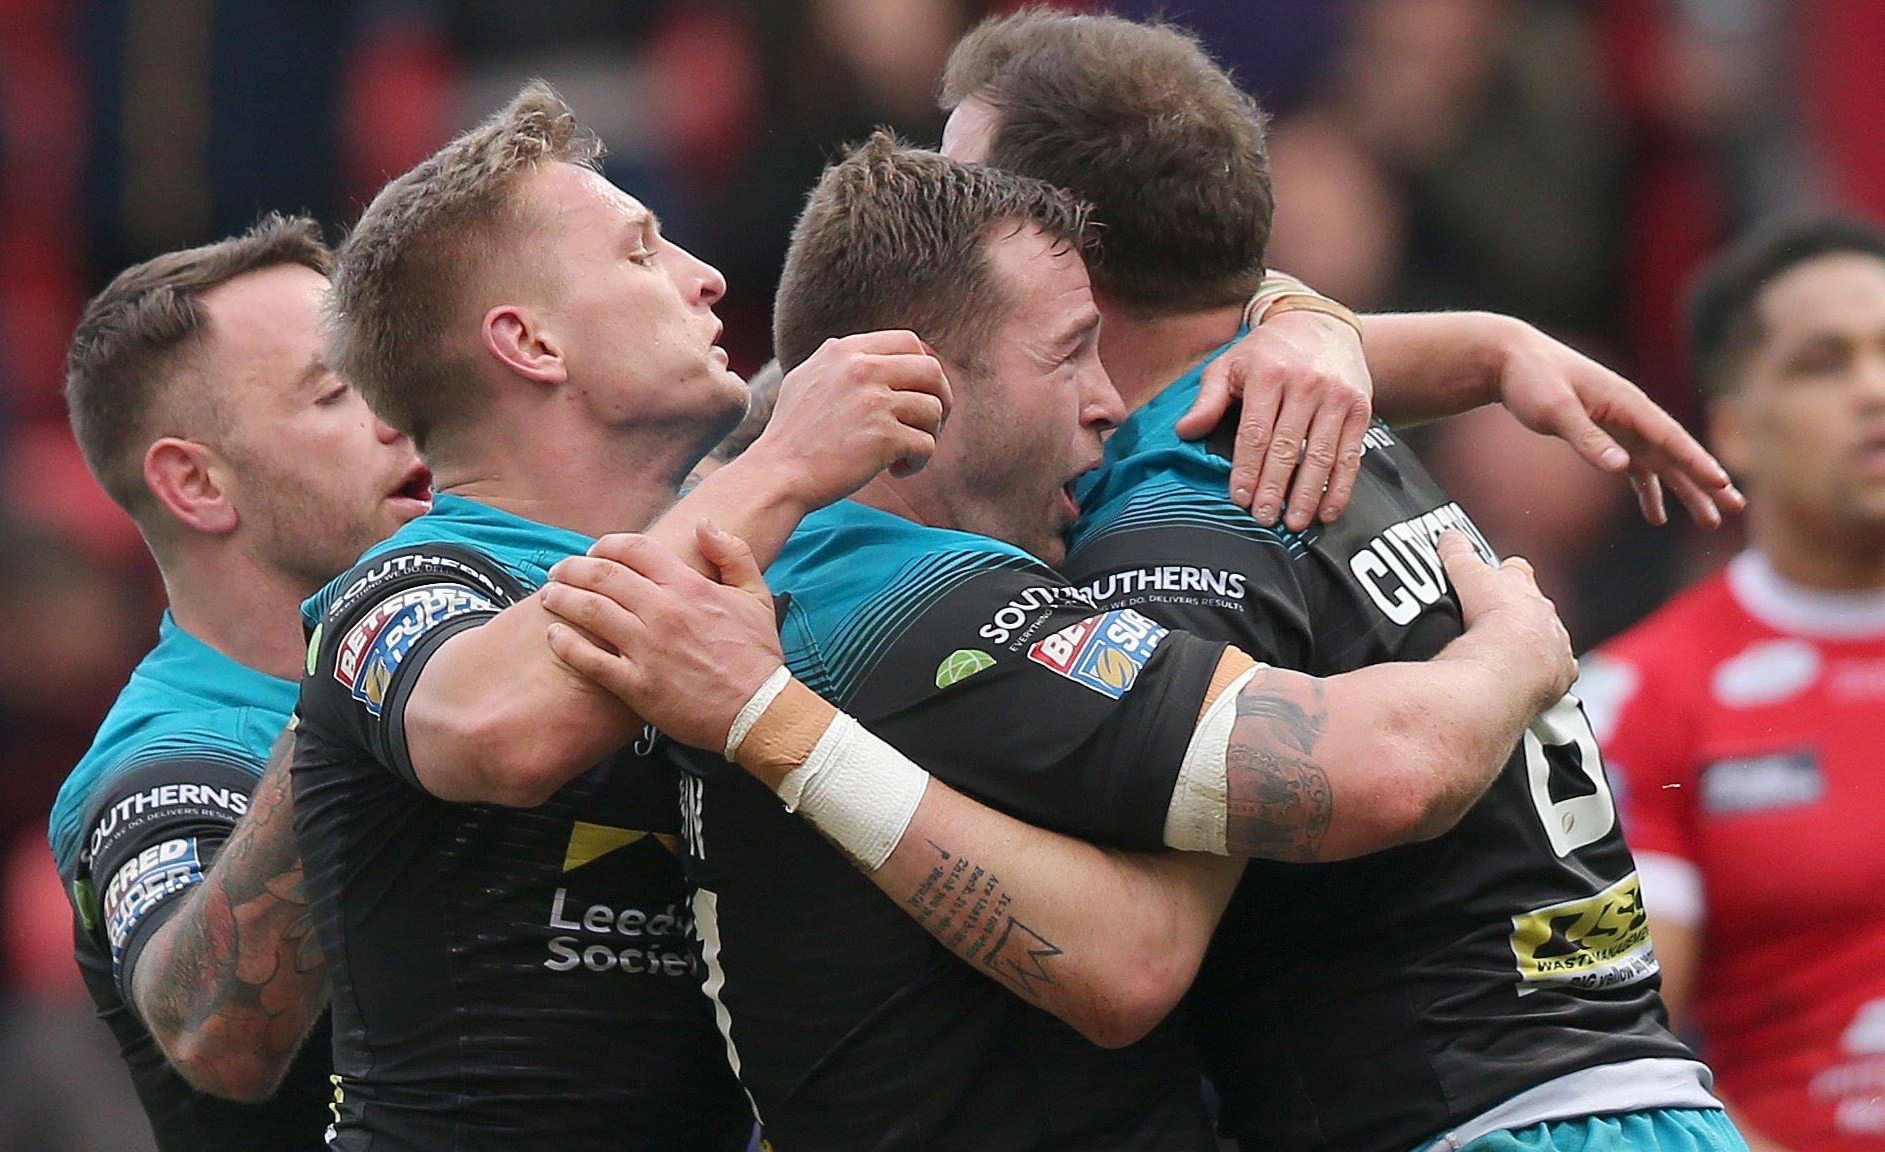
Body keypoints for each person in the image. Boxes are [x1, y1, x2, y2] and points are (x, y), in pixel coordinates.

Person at [537, 135, 1583, 1151]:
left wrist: (1324, 321)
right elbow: (1183, 920)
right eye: (1068, 351)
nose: (1107, 403)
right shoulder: (902, 598)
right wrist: (1512, 651)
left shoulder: (786, 544)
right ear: (911, 385)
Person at [931, 11, 1747, 1152]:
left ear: (1060, 264)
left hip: (1469, 1122)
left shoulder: (1186, 515)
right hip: (1619, 1096)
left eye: (959, 198)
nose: (933, 236)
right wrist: (1468, 339)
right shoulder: (1317, 414)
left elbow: (1129, 952)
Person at [289, 83, 958, 1150]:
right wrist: (781, 462)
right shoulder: (398, 590)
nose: (708, 279)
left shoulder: (748, 543)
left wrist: (1298, 325)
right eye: (642, 254)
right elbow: (501, 729)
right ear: (530, 343)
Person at [48, 215, 433, 1148]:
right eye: (339, 392)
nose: (400, 416)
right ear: (198, 485)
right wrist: (357, 688)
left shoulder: (481, 621)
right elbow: (212, 1032)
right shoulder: (166, 760)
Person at [1584, 217, 1885, 1152]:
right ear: (1733, 430)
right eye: (1822, 363)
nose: (1875, 391)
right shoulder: (1629, 699)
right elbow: (1598, 1030)